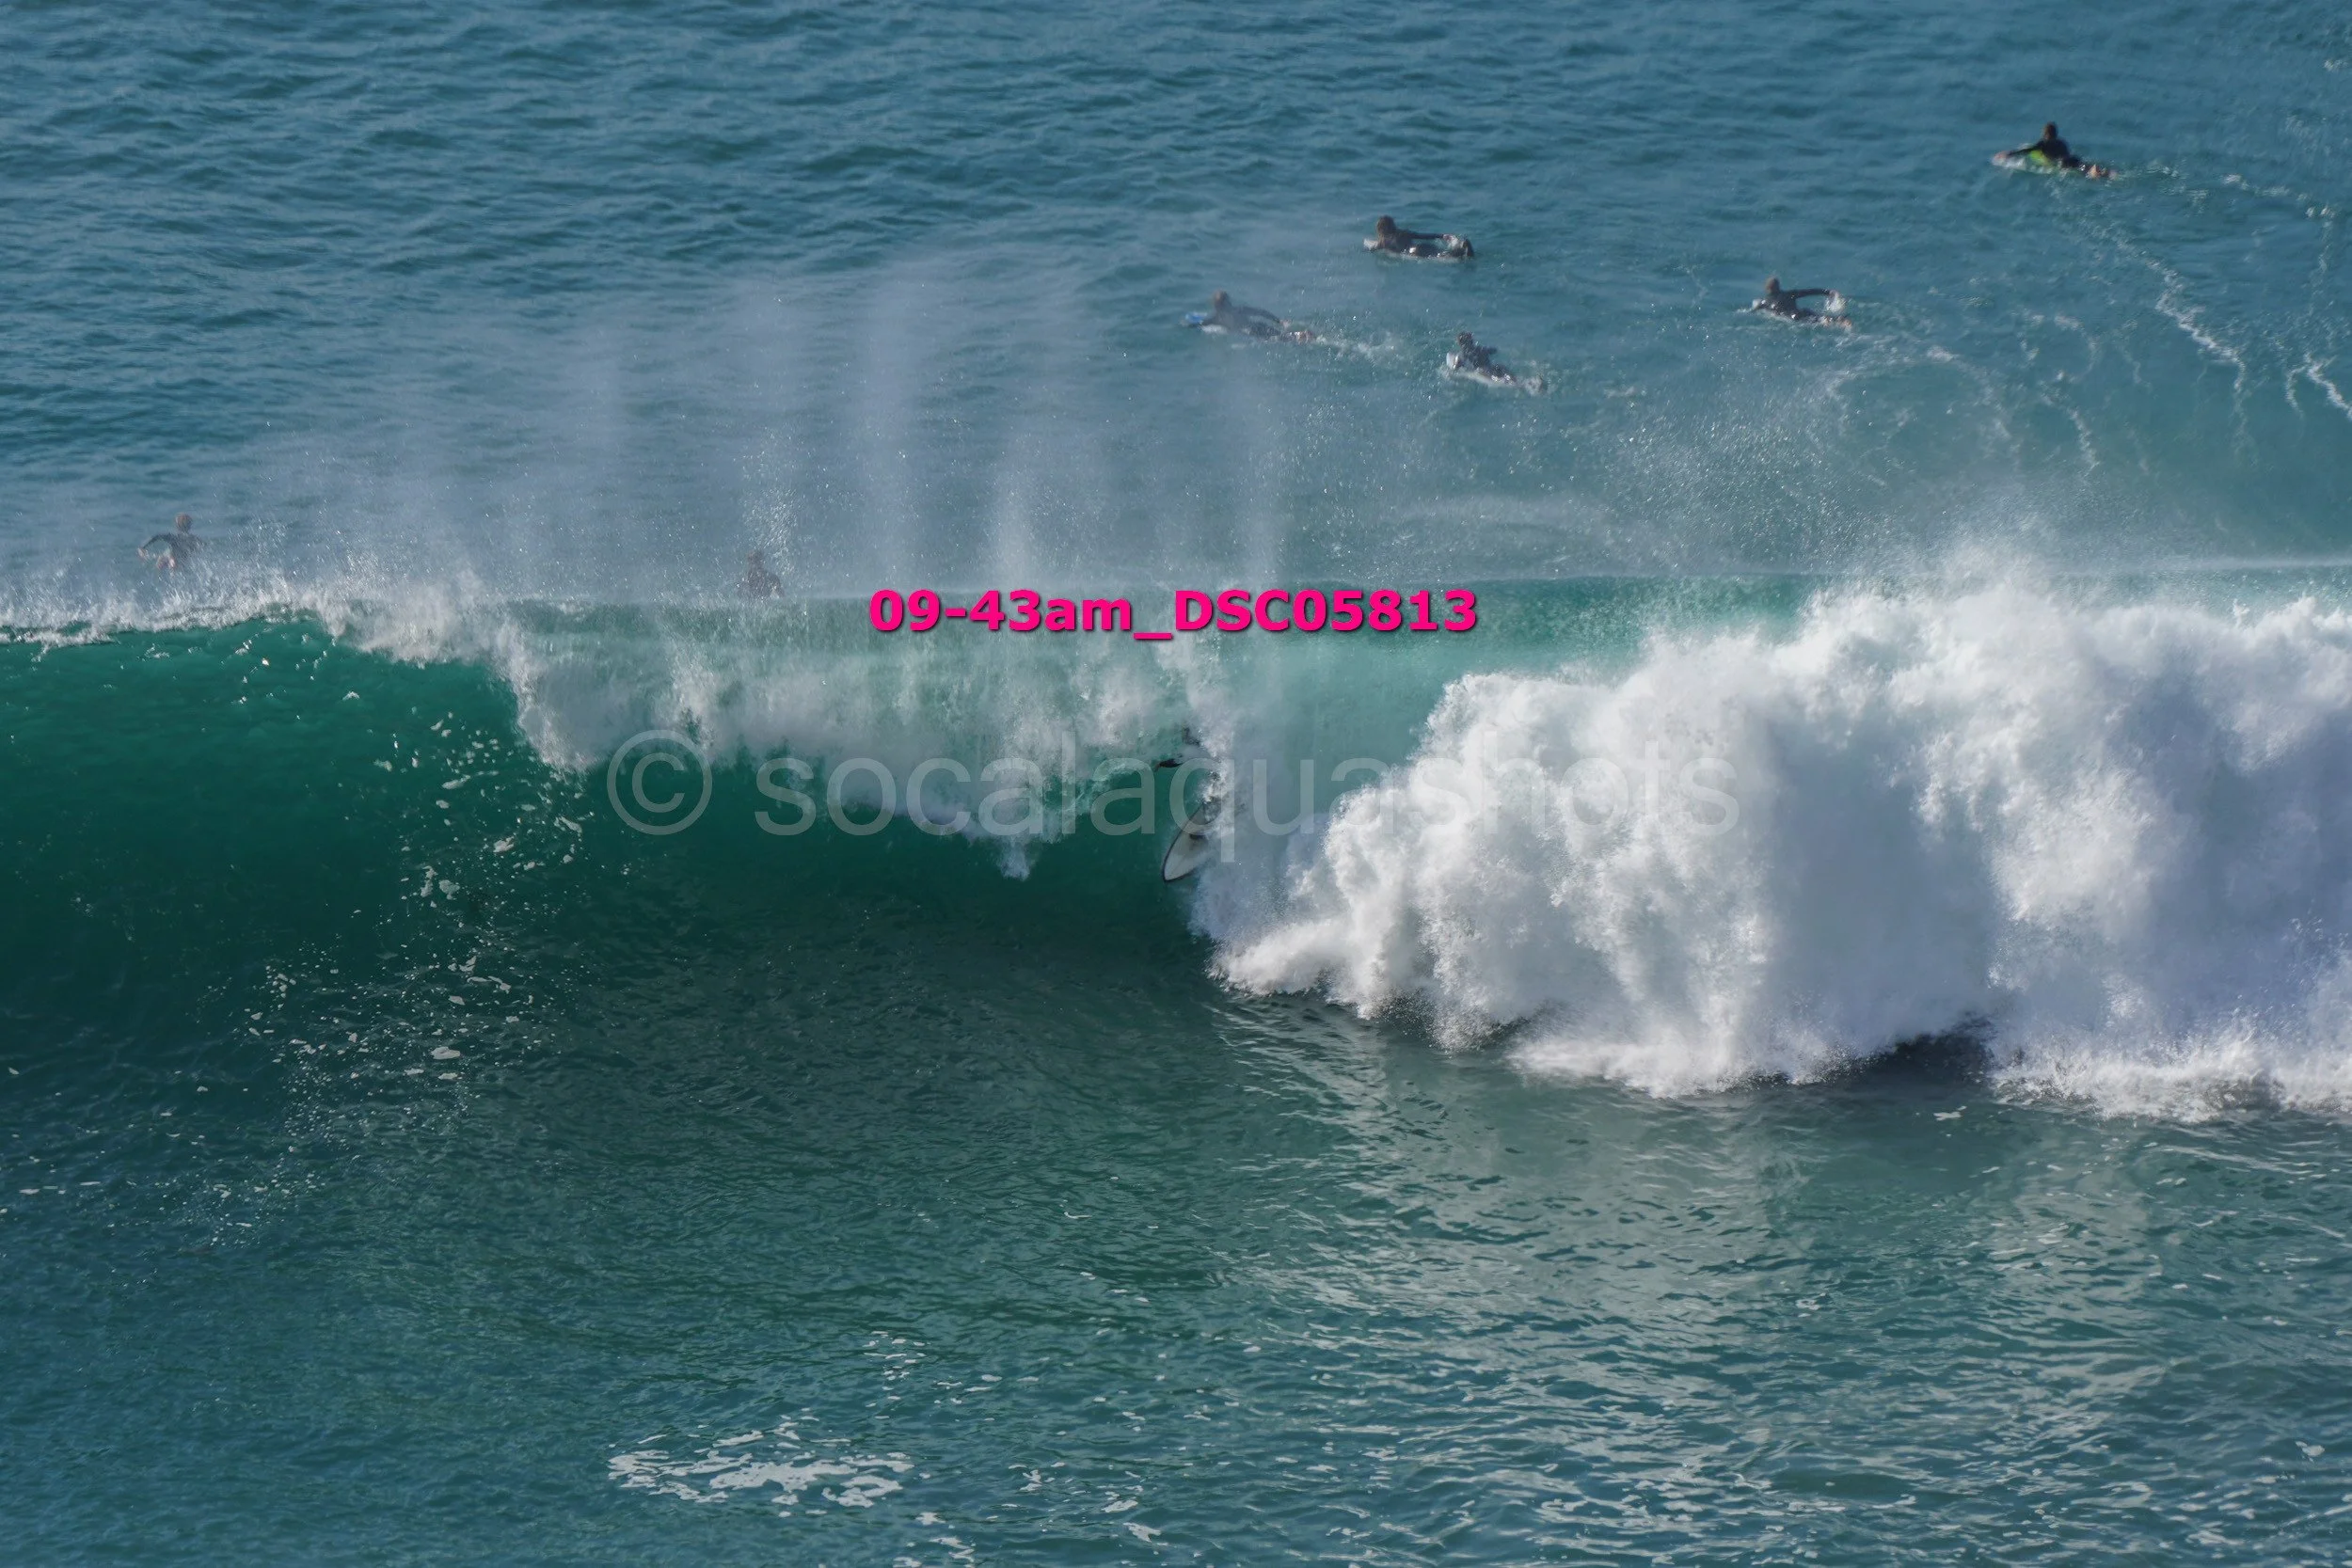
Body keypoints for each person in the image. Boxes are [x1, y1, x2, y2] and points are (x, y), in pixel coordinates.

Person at [1196, 291, 1314, 342]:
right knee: (1283, 336)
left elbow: (1203, 323)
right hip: (1259, 326)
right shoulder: (1239, 309)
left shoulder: (1217, 318)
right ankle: (1302, 334)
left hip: (1251, 333)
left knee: (1282, 339)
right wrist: (1279, 321)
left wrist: (1189, 325)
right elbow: (1260, 312)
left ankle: (1302, 336)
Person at [2001, 122, 2109, 177]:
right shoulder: (2062, 142)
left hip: (2062, 163)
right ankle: (2099, 171)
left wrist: (2009, 154)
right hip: (2073, 158)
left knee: (2082, 173)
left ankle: (2095, 173)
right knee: (2084, 167)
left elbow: (2027, 150)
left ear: (2045, 134)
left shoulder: (2043, 143)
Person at [1366, 215, 1473, 261]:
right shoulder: (1404, 232)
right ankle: (1462, 247)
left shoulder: (1384, 241)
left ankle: (1462, 251)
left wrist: (1364, 251)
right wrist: (1442, 236)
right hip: (1421, 246)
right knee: (1442, 253)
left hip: (1413, 252)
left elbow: (1373, 248)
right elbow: (1423, 236)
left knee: (1443, 257)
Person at [1752, 277, 1849, 325]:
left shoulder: (1764, 302)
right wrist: (1828, 292)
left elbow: (1753, 312)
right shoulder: (1790, 294)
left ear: (1766, 289)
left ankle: (1832, 322)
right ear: (1779, 287)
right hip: (1803, 312)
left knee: (1819, 322)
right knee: (1822, 318)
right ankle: (1841, 320)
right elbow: (1809, 292)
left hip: (1793, 318)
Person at [139, 512, 203, 572]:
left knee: (163, 559)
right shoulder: (195, 539)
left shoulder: (174, 537)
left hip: (172, 558)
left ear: (177, 526)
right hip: (183, 560)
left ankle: (159, 572)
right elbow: (203, 546)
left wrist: (143, 547)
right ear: (190, 526)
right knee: (175, 563)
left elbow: (156, 537)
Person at [1447, 331, 1521, 384]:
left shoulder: (1461, 355)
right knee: (1503, 370)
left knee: (1496, 379)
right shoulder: (1481, 349)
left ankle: (1507, 383)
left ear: (1461, 344)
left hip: (1483, 371)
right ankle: (1518, 382)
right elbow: (1494, 350)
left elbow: (1455, 369)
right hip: (1493, 367)